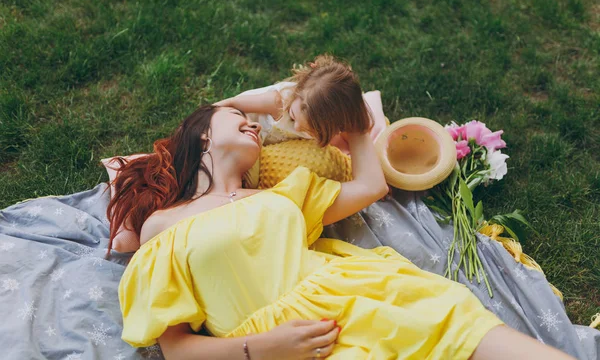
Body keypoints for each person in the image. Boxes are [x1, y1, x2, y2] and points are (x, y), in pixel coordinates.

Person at [109, 105, 574, 359]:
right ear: (202, 135)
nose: (252, 123)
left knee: (477, 335)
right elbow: (174, 348)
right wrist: (261, 349)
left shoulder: (283, 195)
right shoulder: (164, 223)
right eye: (237, 119)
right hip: (285, 346)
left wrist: (352, 121)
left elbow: (371, 186)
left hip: (370, 296)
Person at [215, 54, 387, 152]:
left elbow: (348, 146)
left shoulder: (330, 125)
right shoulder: (277, 103)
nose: (296, 127)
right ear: (297, 93)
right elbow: (234, 103)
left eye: (307, 128)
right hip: (246, 130)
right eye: (293, 117)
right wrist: (209, 111)